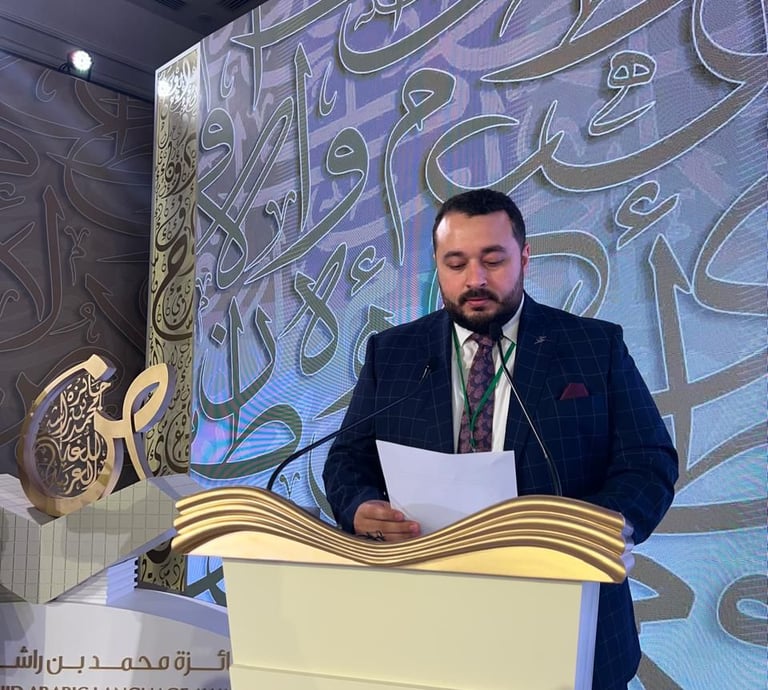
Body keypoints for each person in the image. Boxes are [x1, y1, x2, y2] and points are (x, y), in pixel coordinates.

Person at [322, 188, 678, 690]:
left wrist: (603, 527)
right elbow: (346, 459)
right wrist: (358, 506)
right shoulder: (394, 353)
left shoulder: (593, 346)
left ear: (524, 257)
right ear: (437, 267)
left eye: (493, 260)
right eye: (456, 263)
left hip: (566, 616)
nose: (475, 279)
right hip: (424, 620)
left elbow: (649, 459)